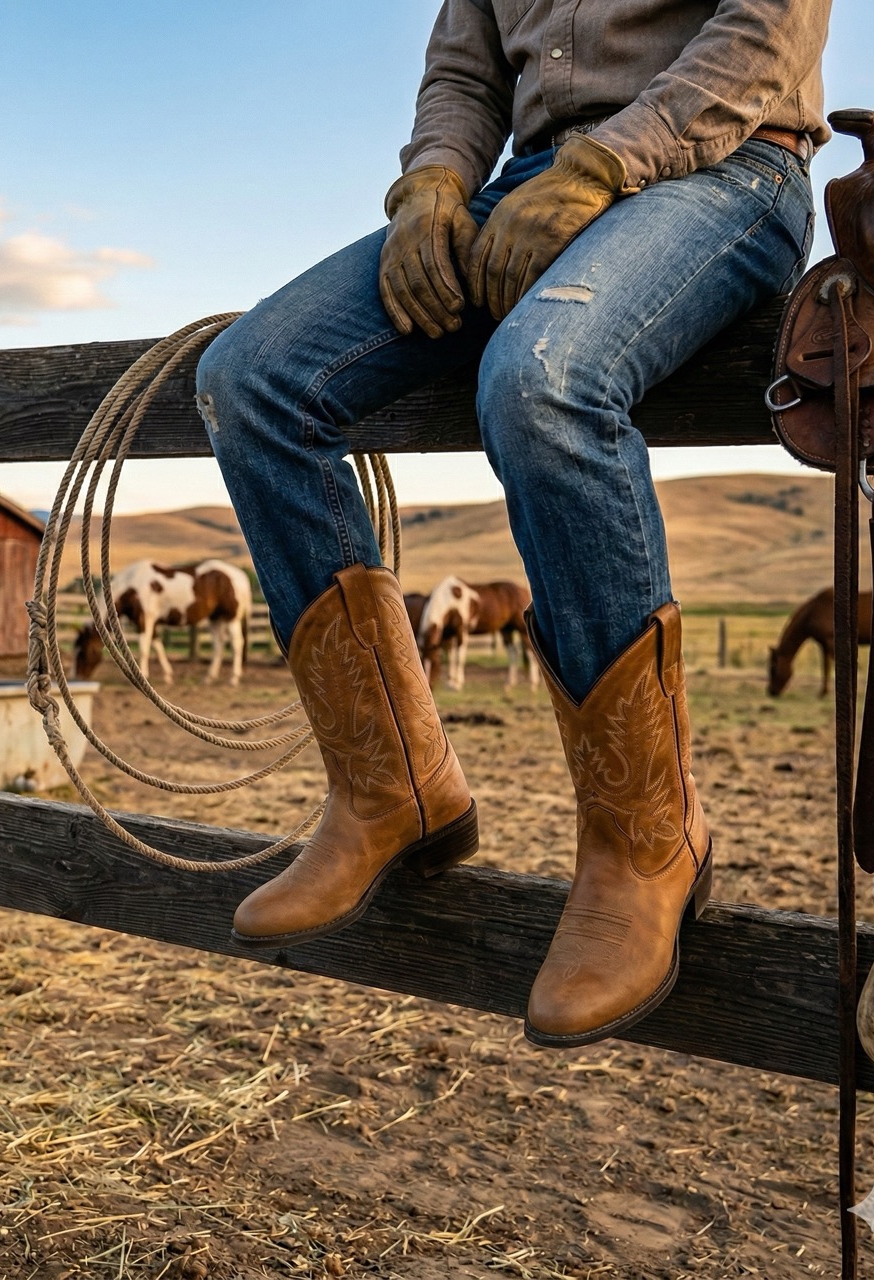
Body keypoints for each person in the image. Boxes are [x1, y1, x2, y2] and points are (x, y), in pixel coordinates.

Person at [194, 0, 829, 1047]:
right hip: (521, 187)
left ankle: (643, 842)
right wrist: (434, 186)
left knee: (543, 379)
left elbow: (766, 31)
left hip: (719, 171)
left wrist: (600, 168)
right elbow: (463, 75)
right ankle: (389, 786)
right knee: (250, 379)